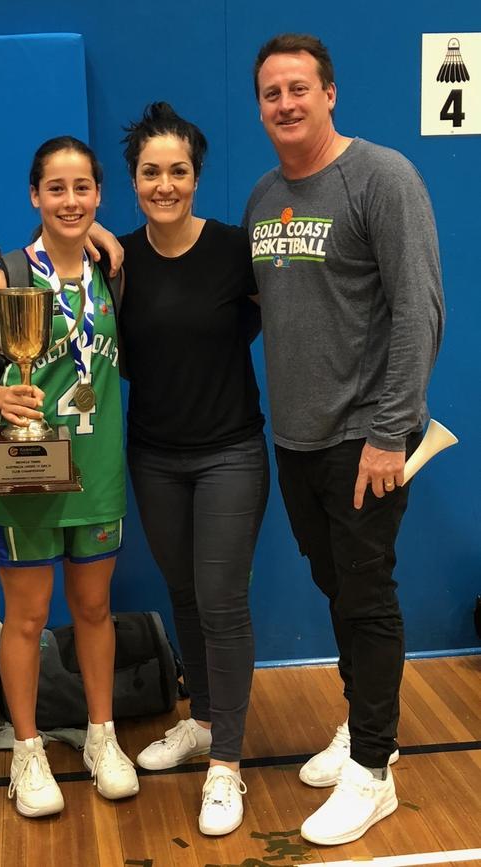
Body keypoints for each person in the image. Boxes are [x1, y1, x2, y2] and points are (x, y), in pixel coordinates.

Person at [245, 34, 444, 845]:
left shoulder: (381, 176)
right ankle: (364, 724)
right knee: (337, 588)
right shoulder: (263, 199)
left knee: (367, 597)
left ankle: (374, 769)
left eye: (299, 88)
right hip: (296, 440)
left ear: (329, 94)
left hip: (368, 438)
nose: (285, 103)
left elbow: (419, 307)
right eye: (270, 93)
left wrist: (391, 431)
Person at [0, 136, 138, 818]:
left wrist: (98, 236)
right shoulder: (4, 279)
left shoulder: (115, 271)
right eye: (56, 188)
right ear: (34, 196)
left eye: (83, 188)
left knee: (95, 609)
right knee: (29, 616)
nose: (70, 200)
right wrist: (0, 397)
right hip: (27, 474)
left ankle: (102, 736)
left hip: (96, 472)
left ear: (98, 196)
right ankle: (28, 749)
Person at [119, 103, 269, 836]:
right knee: (184, 592)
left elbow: (276, 319)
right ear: (134, 179)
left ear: (197, 176)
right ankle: (204, 719)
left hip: (231, 452)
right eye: (152, 171)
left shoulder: (237, 250)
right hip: (153, 456)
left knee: (221, 600)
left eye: (178, 170)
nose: (165, 183)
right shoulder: (116, 260)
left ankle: (227, 764)